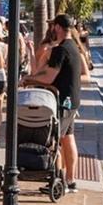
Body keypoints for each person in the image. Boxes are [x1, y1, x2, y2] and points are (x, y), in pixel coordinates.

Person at [25, 13, 84, 192]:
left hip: (62, 100)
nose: (51, 28)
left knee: (54, 140)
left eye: (53, 26)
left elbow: (50, 77)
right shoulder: (73, 46)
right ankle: (70, 180)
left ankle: (58, 180)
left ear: (58, 27)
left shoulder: (61, 49)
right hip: (72, 100)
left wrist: (30, 80)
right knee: (67, 139)